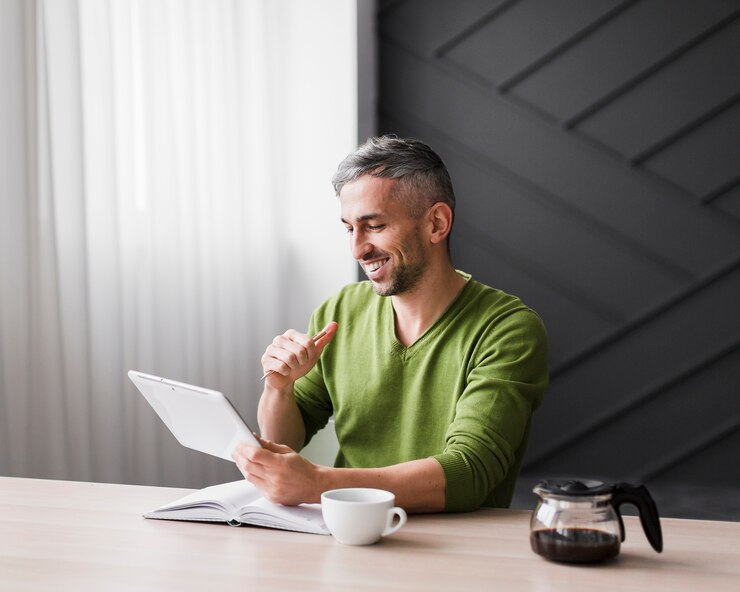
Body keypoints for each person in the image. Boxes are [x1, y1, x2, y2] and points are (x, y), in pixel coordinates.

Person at [232, 136, 548, 513]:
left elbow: (469, 471)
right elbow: (285, 439)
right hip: (349, 534)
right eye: (350, 228)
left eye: (375, 226)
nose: (358, 249)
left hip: (459, 548)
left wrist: (317, 484)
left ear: (436, 223)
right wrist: (279, 388)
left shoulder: (507, 329)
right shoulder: (340, 311)